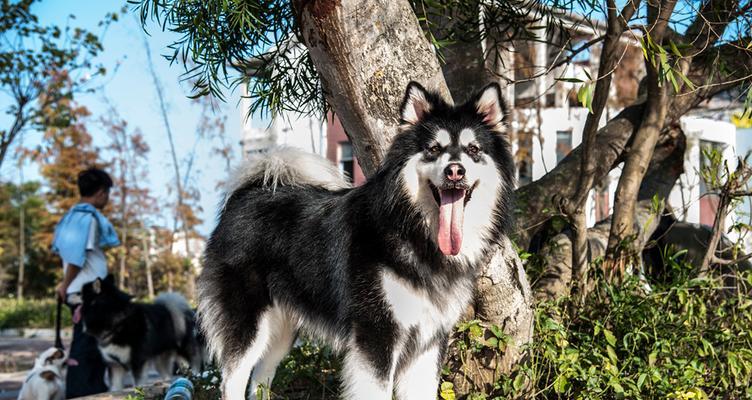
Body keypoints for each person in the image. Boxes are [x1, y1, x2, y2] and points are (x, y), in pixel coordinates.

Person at [52, 167, 120, 398]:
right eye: (108, 193)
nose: (108, 198)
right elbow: (76, 258)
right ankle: (85, 393)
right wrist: (64, 285)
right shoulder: (87, 220)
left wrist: (65, 286)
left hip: (80, 293)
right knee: (88, 348)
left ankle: (89, 390)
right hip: (88, 296)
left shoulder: (71, 217)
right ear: (101, 192)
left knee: (88, 345)